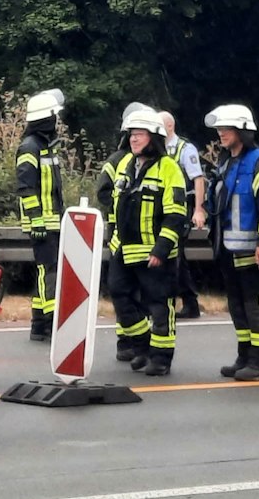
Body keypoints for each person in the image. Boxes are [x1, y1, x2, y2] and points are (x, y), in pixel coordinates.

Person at [208, 103, 259, 382]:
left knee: (256, 305)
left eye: (226, 128)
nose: (221, 133)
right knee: (238, 305)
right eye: (219, 128)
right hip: (230, 249)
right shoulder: (226, 162)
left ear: (242, 130)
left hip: (255, 249)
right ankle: (244, 357)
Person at [113, 106, 188, 377]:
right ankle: (143, 346)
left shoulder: (169, 168)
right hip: (124, 249)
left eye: (140, 134)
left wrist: (161, 249)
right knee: (119, 295)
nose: (133, 138)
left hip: (155, 252)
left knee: (159, 304)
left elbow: (176, 214)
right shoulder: (126, 164)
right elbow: (115, 205)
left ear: (154, 137)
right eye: (131, 134)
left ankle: (161, 358)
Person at [93, 104, 151, 367]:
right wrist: (121, 209)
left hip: (143, 239)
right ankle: (127, 342)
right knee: (122, 292)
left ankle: (135, 344)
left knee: (136, 294)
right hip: (119, 236)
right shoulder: (117, 161)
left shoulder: (155, 164)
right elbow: (103, 192)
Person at [15, 88, 66, 342]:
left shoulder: (45, 146)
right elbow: (25, 187)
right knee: (49, 271)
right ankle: (51, 319)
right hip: (41, 222)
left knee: (46, 271)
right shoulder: (29, 147)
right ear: (46, 119)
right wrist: (36, 219)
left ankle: (39, 324)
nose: (56, 122)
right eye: (54, 117)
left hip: (52, 220)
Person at [159, 110, 208, 319]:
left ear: (170, 126)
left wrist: (199, 209)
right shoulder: (157, 148)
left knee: (174, 256)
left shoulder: (185, 149)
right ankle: (189, 303)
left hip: (180, 211)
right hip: (162, 210)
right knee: (176, 257)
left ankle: (177, 303)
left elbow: (198, 179)